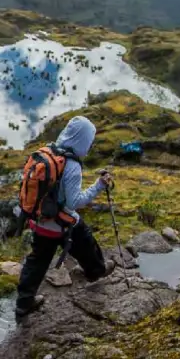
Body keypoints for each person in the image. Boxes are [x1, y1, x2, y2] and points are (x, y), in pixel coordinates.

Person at [14, 115, 116, 319]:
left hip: (39, 220)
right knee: (84, 238)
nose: (90, 145)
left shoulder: (48, 152)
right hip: (61, 224)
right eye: (89, 140)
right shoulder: (72, 166)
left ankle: (23, 303)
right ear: (82, 139)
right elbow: (74, 203)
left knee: (36, 261)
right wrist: (99, 186)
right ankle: (96, 271)